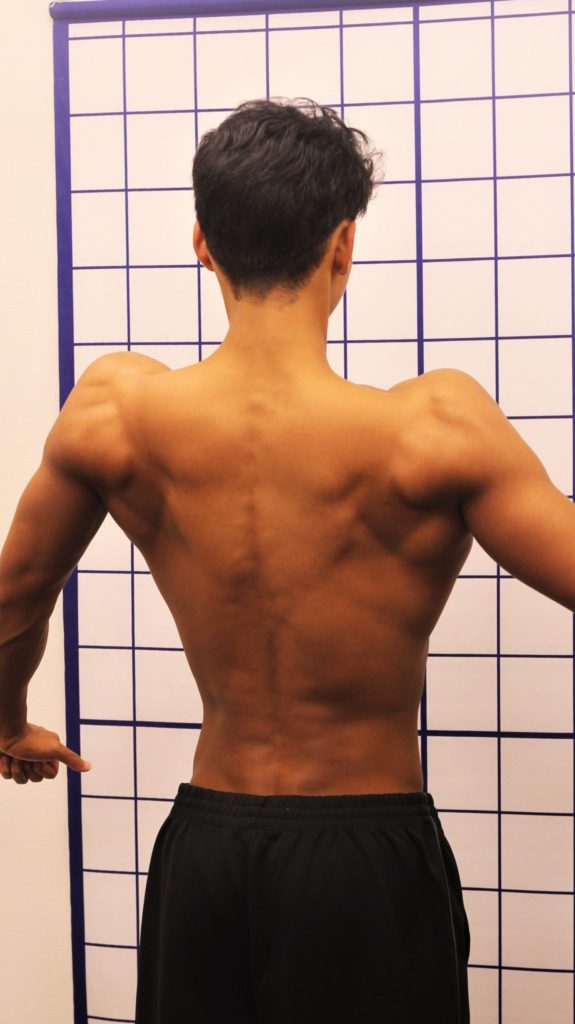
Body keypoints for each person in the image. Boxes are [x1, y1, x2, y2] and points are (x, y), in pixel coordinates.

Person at [0, 97, 572, 1023]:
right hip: (365, 863)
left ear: (202, 242)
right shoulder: (433, 427)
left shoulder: (116, 411)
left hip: (207, 851)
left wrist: (7, 723)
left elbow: (15, 597)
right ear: (343, 245)